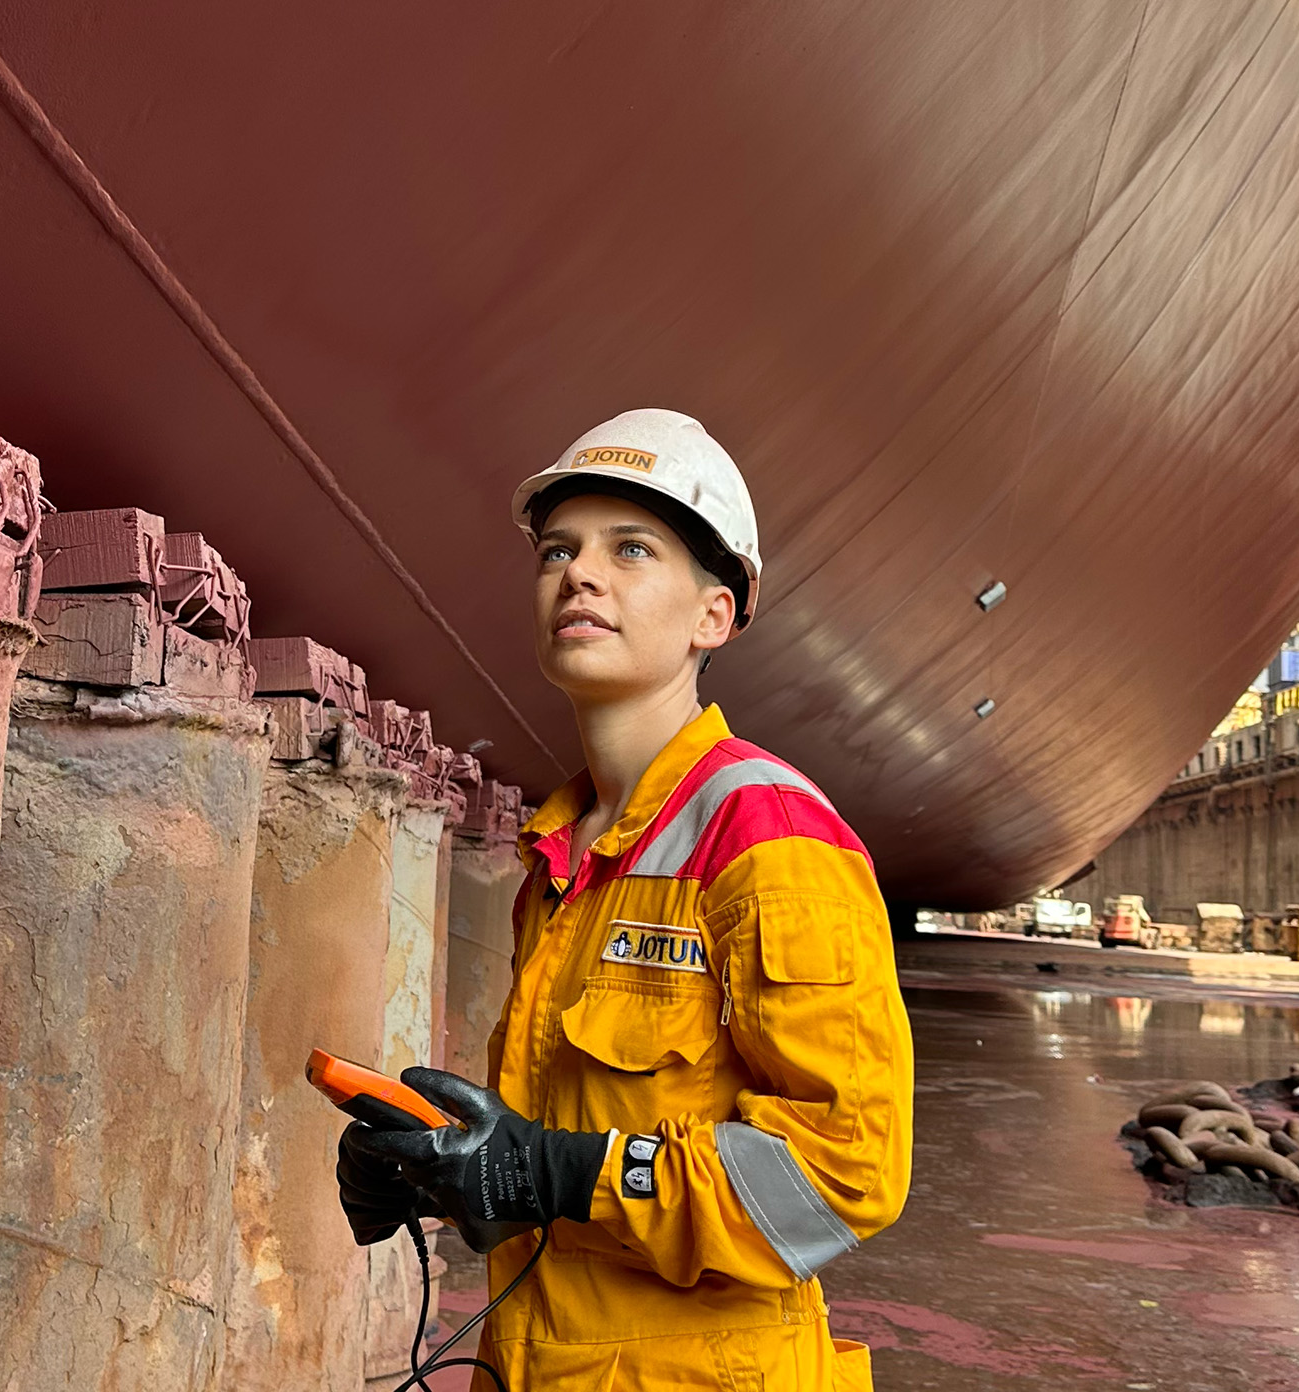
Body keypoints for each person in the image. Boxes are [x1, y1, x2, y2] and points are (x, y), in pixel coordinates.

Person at [338, 408, 913, 1390]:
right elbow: (576, 1149)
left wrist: (548, 1169)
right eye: (557, 550)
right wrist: (447, 1168)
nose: (580, 573)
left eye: (631, 549)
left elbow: (841, 1173)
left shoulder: (767, 837)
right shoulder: (566, 855)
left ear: (713, 616)